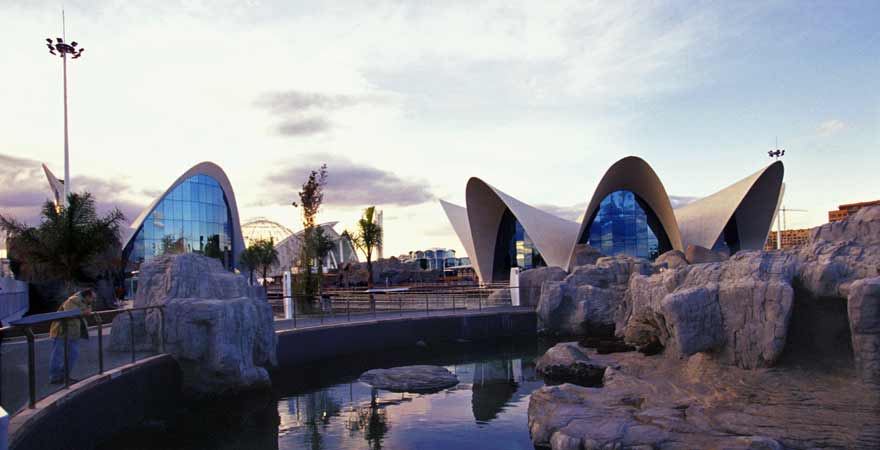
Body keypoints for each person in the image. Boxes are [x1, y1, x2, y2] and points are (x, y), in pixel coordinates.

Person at [48, 289, 95, 384]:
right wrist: (84, 311)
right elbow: (71, 313)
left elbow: (87, 311)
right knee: (58, 355)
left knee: (73, 354)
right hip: (62, 331)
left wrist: (86, 309)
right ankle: (55, 377)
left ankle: (63, 376)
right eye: (93, 298)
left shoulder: (85, 302)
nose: (94, 300)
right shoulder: (73, 300)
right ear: (87, 296)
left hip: (73, 332)